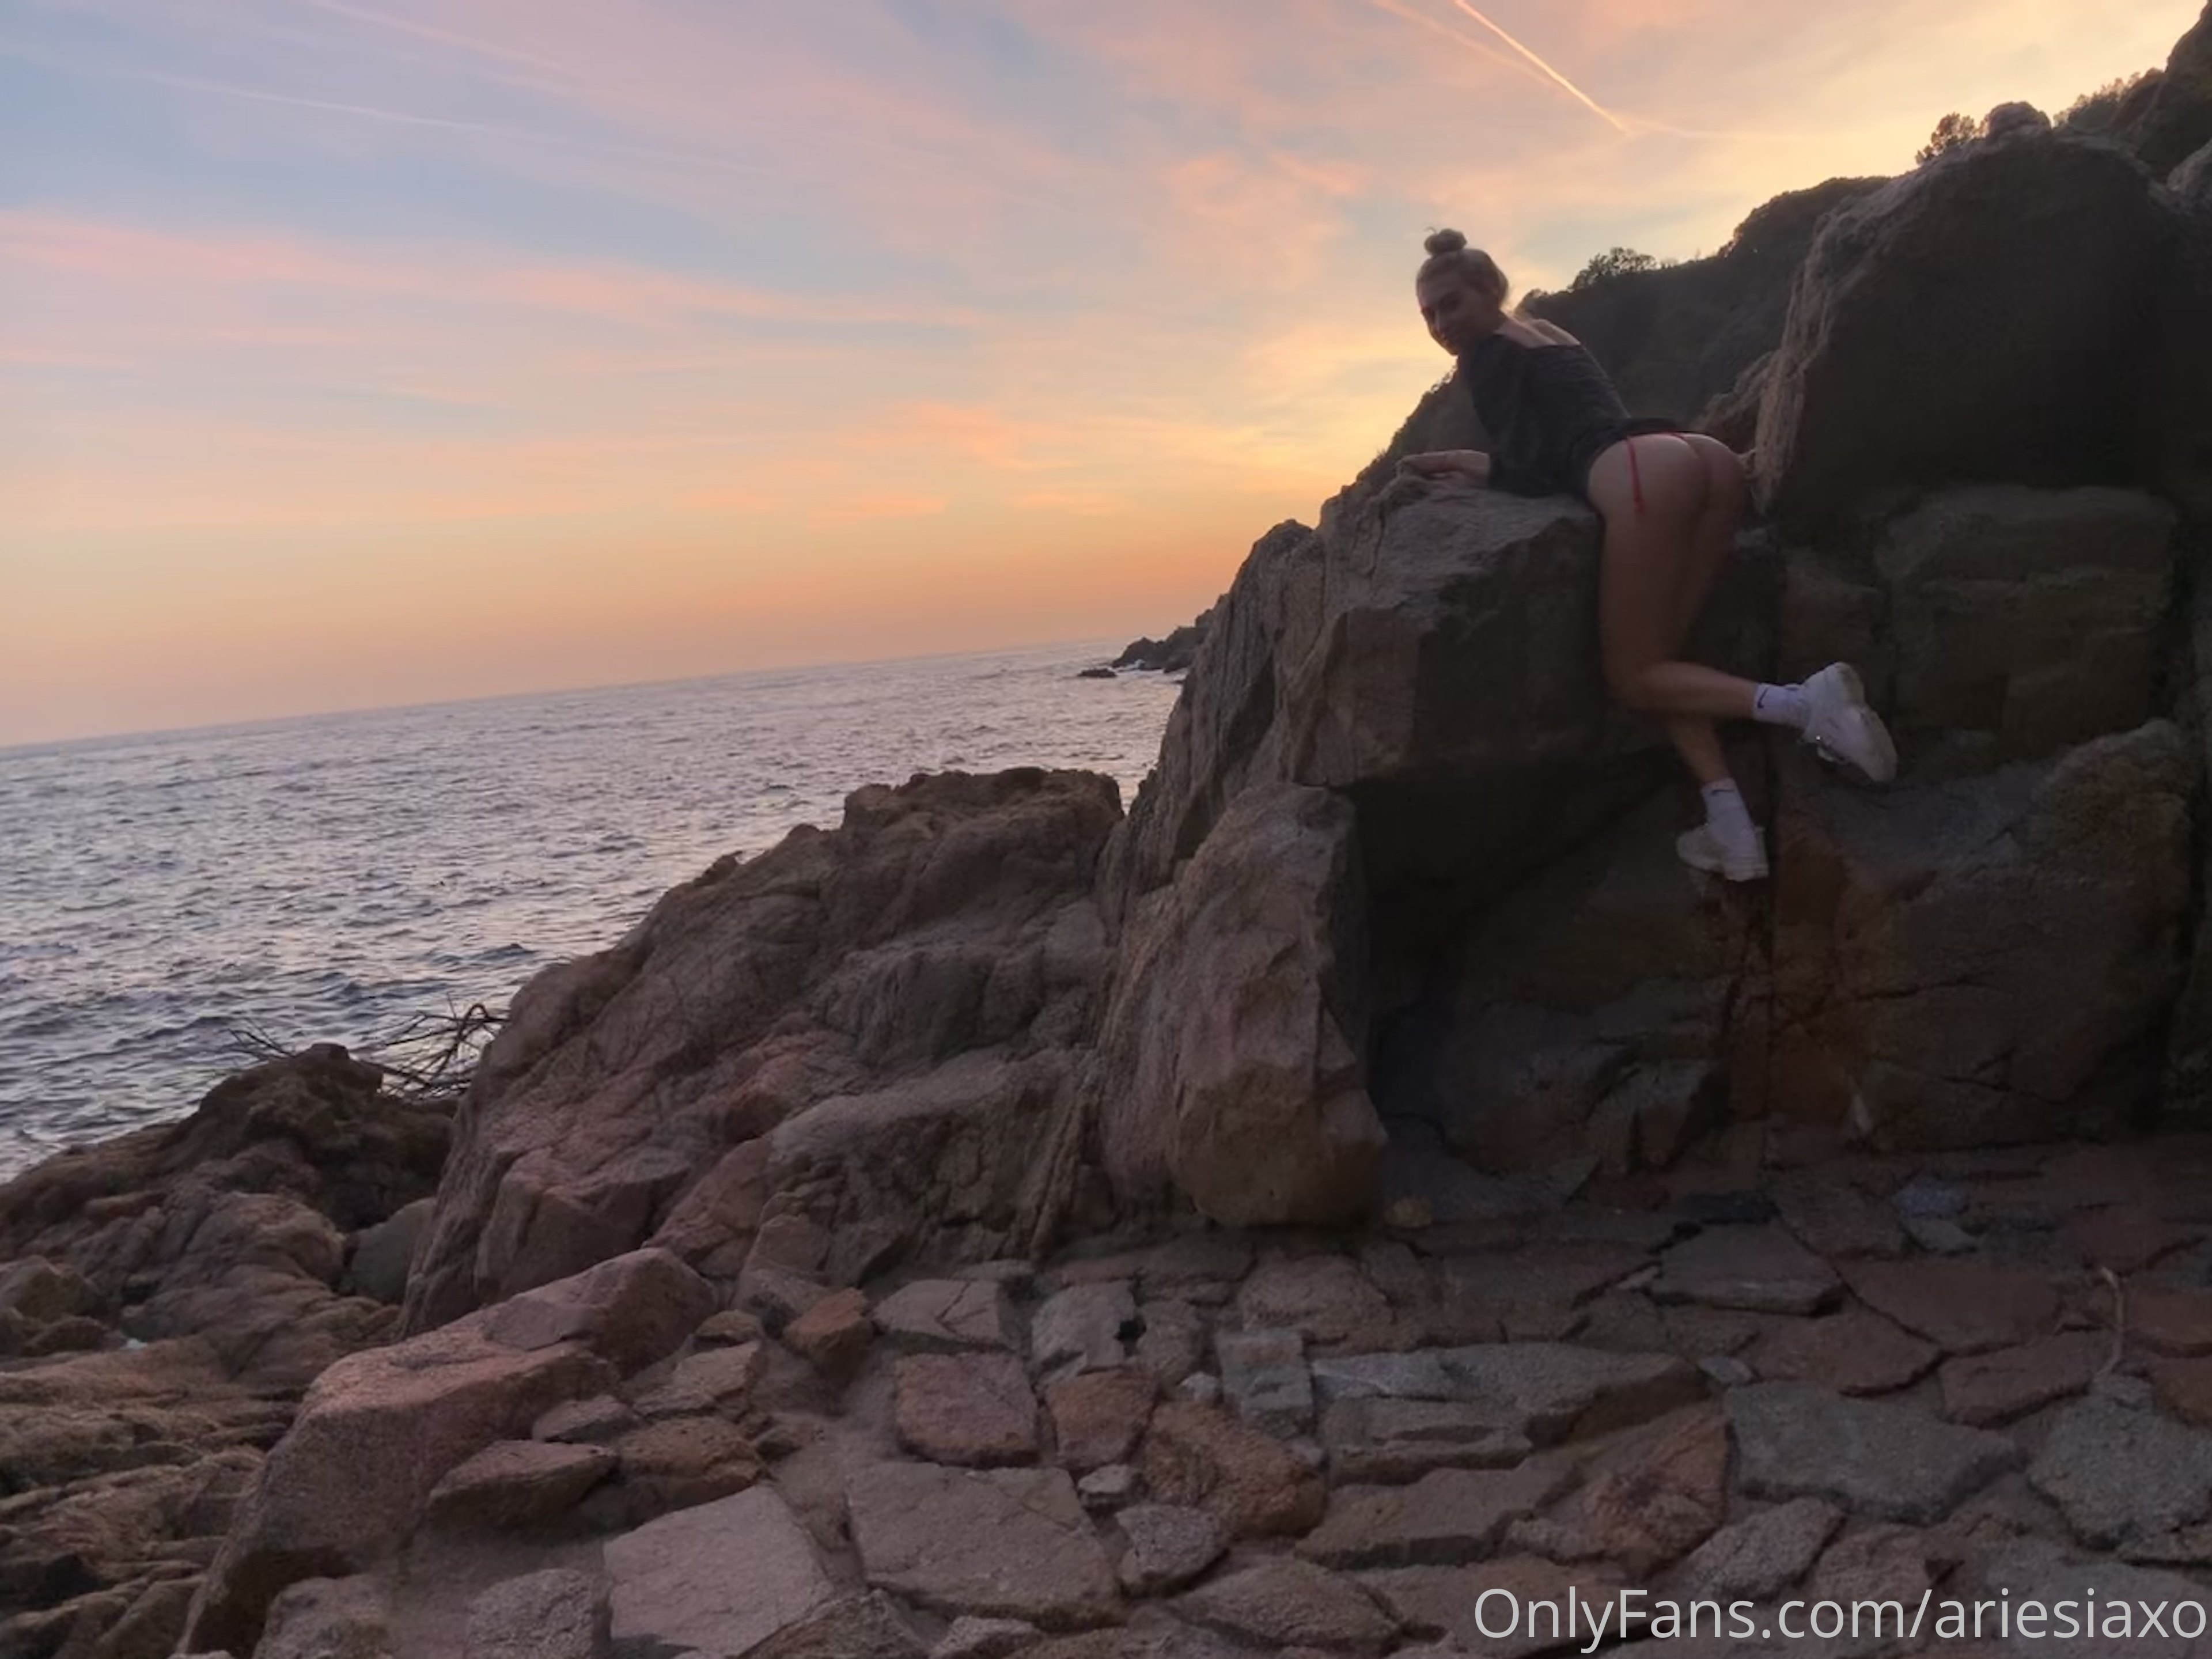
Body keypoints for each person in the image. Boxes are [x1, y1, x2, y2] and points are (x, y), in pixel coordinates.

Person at [1396, 229, 1895, 881]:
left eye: (1451, 304)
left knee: (1631, 677)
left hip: (1637, 475)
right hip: (1695, 458)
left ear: (1489, 289)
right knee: (1663, 661)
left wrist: (1467, 462)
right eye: (1429, 315)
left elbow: (1535, 468)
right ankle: (1731, 826)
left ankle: (1807, 705)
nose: (1442, 325)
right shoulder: (1546, 331)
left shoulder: (1485, 356)